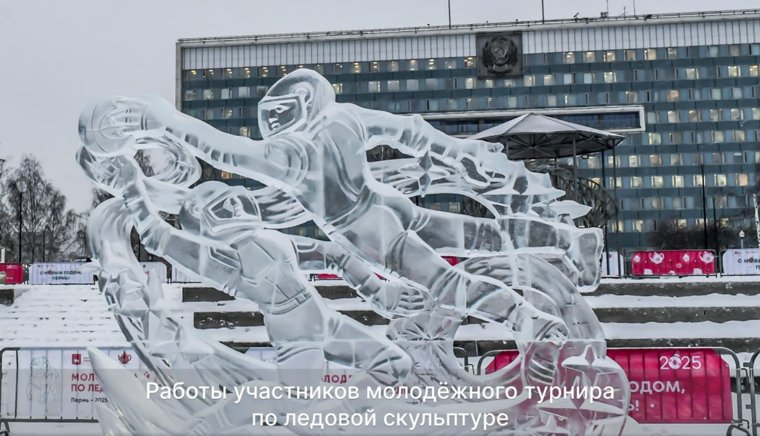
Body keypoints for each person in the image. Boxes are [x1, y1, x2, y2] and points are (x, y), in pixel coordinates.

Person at [79, 70, 570, 383]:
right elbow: (411, 132)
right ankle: (562, 249)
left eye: (276, 114)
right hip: (380, 215)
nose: (271, 123)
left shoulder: (292, 154)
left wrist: (158, 117)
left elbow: (223, 149)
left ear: (302, 103)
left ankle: (538, 323)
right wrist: (457, 154)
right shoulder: (347, 121)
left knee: (450, 280)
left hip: (363, 228)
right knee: (473, 243)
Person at [84, 151, 420, 388]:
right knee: (299, 407)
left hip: (328, 322)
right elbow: (158, 238)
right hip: (296, 337)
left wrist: (378, 290)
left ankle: (345, 418)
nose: (234, 203)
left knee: (396, 365)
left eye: (233, 197)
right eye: (221, 205)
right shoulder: (220, 257)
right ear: (204, 220)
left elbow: (334, 254)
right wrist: (131, 186)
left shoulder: (275, 239)